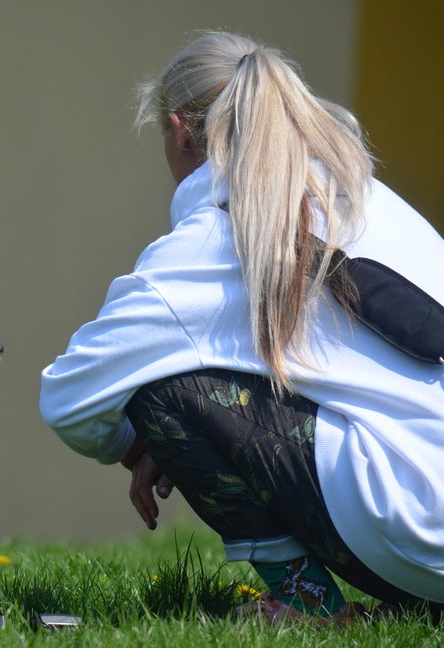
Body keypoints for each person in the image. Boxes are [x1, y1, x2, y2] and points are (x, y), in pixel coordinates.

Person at [39, 31, 444, 623]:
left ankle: (312, 607)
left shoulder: (211, 237)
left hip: (415, 529)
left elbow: (67, 395)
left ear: (180, 131)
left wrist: (137, 441)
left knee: (157, 388)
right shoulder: (369, 197)